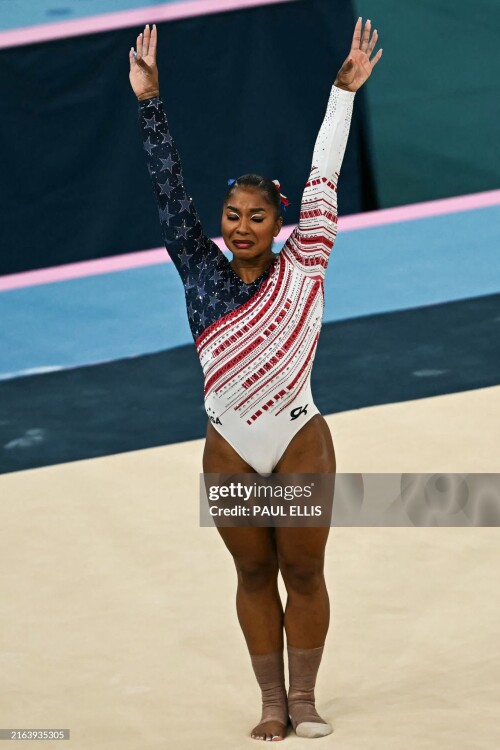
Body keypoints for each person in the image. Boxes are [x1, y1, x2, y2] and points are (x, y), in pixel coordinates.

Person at [129, 17, 382, 742]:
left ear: (279, 223)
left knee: (303, 573)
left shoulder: (306, 263)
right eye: (231, 217)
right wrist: (150, 101)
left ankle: (304, 698)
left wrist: (342, 94)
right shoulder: (201, 271)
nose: (239, 228)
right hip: (231, 446)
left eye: (255, 218)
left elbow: (325, 175)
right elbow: (167, 188)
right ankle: (270, 702)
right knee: (250, 575)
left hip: (300, 435)